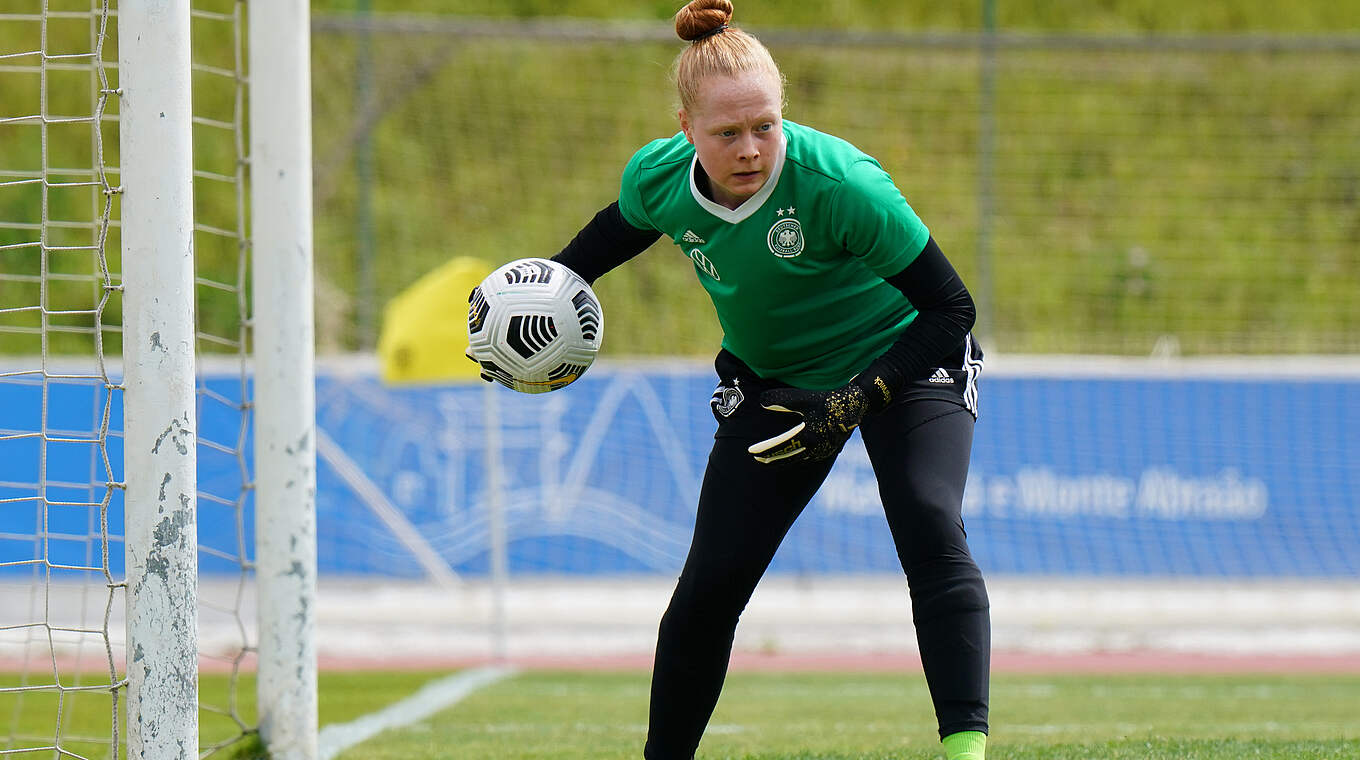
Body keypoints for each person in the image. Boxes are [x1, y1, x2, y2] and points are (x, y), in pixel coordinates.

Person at [484, 1, 992, 757]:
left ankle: (965, 751)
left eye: (766, 125)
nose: (751, 148)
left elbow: (952, 310)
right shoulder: (657, 179)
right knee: (710, 587)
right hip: (775, 385)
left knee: (927, 519)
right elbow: (603, 243)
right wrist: (521, 309)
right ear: (685, 128)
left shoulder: (840, 184)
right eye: (727, 133)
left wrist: (854, 401)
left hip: (909, 358)